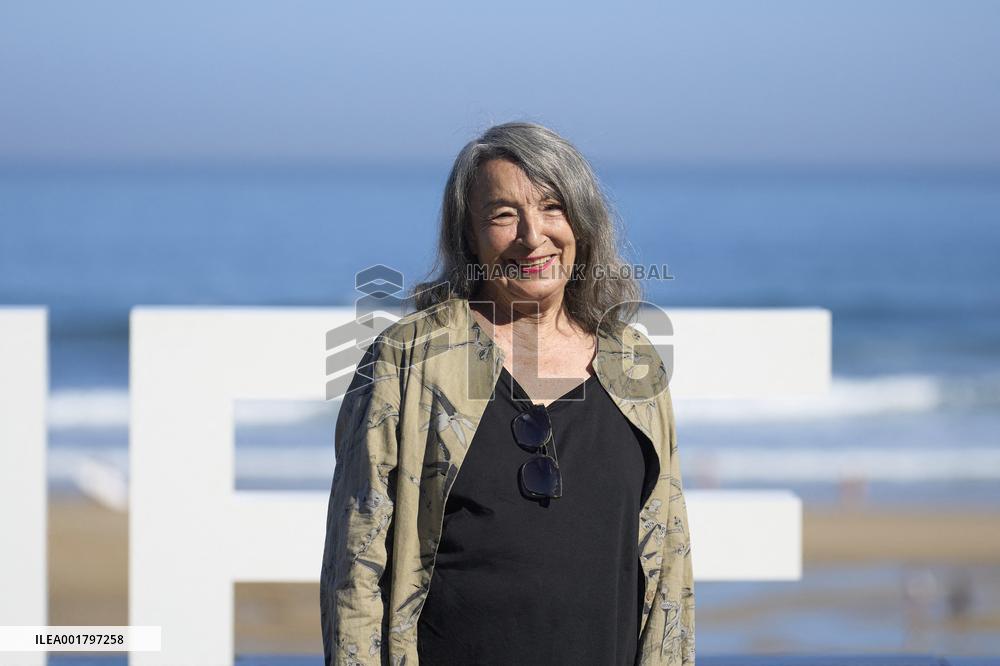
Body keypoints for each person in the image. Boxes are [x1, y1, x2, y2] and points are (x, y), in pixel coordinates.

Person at [321, 121, 695, 665]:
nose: (532, 235)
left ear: (582, 223)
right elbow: (355, 565)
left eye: (552, 207)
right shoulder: (409, 357)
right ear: (468, 236)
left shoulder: (633, 363)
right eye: (502, 214)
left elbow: (670, 573)